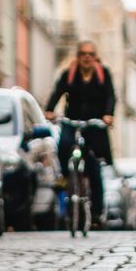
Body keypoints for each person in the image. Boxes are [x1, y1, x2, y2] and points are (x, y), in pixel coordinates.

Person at [45, 40, 116, 220]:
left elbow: (110, 96)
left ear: (95, 58)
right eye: (83, 54)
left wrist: (108, 114)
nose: (86, 57)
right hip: (72, 119)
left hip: (94, 123)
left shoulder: (103, 74)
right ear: (78, 57)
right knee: (64, 145)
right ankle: (65, 176)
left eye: (90, 54)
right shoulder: (69, 73)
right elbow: (57, 92)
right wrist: (50, 110)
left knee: (93, 165)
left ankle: (97, 211)